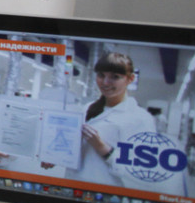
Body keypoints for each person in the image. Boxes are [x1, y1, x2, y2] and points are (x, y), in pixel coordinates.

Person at [50, 52, 182, 192]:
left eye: (115, 77)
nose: (106, 82)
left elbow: (142, 172)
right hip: (73, 185)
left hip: (103, 192)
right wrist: (55, 157)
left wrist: (103, 148)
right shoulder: (88, 108)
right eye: (101, 75)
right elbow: (78, 149)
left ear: (130, 79)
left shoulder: (140, 118)